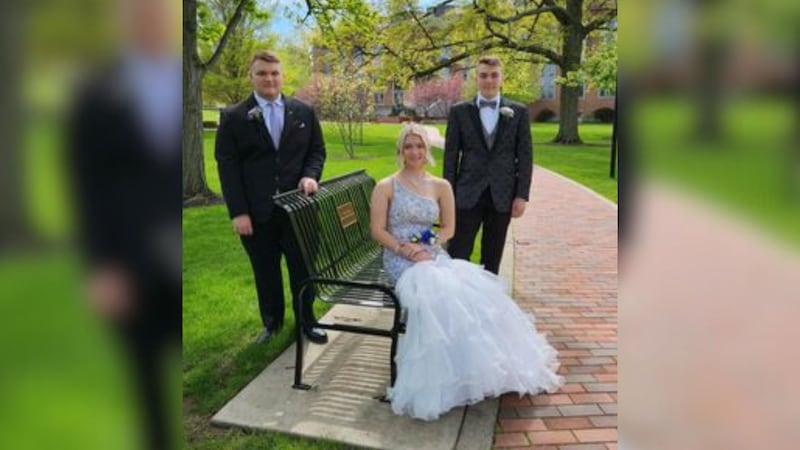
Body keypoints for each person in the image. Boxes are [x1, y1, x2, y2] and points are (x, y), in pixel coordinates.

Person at [370, 123, 562, 421]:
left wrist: (429, 243)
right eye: (408, 146)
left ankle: (477, 368)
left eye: (419, 146)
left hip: (431, 252)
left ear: (427, 150)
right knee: (436, 290)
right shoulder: (385, 187)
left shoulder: (441, 186)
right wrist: (405, 249)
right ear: (400, 150)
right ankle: (437, 378)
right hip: (398, 256)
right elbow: (377, 231)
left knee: (472, 289)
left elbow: (449, 228)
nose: (414, 152)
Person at [68, 1, 180, 448]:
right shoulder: (97, 93)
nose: (148, 19)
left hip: (181, 255)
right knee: (148, 383)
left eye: (155, 10)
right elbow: (87, 186)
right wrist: (101, 265)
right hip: (132, 262)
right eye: (137, 11)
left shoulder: (180, 80)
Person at [215, 51, 328, 344]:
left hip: (299, 209)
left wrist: (310, 176)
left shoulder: (303, 112)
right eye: (262, 73)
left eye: (274, 73)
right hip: (256, 212)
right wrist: (238, 212)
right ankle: (272, 323)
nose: (269, 78)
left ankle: (307, 321)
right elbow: (228, 167)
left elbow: (317, 151)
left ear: (282, 76)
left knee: (303, 269)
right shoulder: (234, 117)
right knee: (265, 272)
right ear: (251, 76)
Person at [444, 55, 533, 274]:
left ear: (502, 78)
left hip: (502, 195)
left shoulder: (519, 112)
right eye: (483, 75)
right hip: (466, 193)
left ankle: (487, 303)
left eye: (494, 75)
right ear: (476, 78)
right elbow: (450, 156)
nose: (489, 80)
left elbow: (525, 156)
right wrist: (447, 195)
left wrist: (521, 195)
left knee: (492, 258)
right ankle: (457, 299)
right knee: (458, 253)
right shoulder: (459, 112)